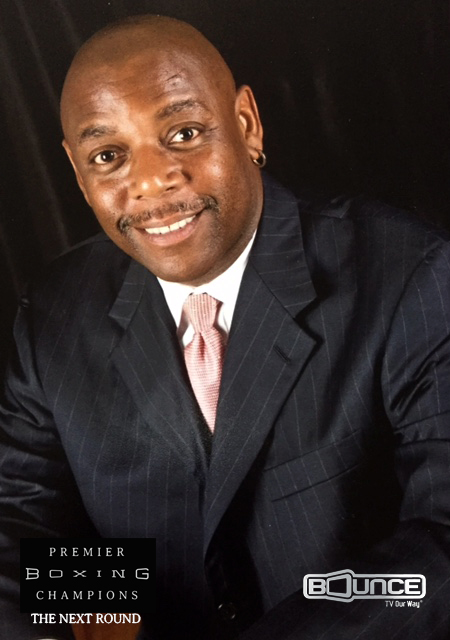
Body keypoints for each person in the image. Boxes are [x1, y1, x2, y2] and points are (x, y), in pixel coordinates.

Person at [1, 13, 450, 640]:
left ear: (246, 124)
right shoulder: (55, 314)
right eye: (109, 156)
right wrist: (118, 610)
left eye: (183, 133)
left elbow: (440, 541)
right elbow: (19, 530)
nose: (151, 181)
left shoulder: (409, 276)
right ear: (79, 174)